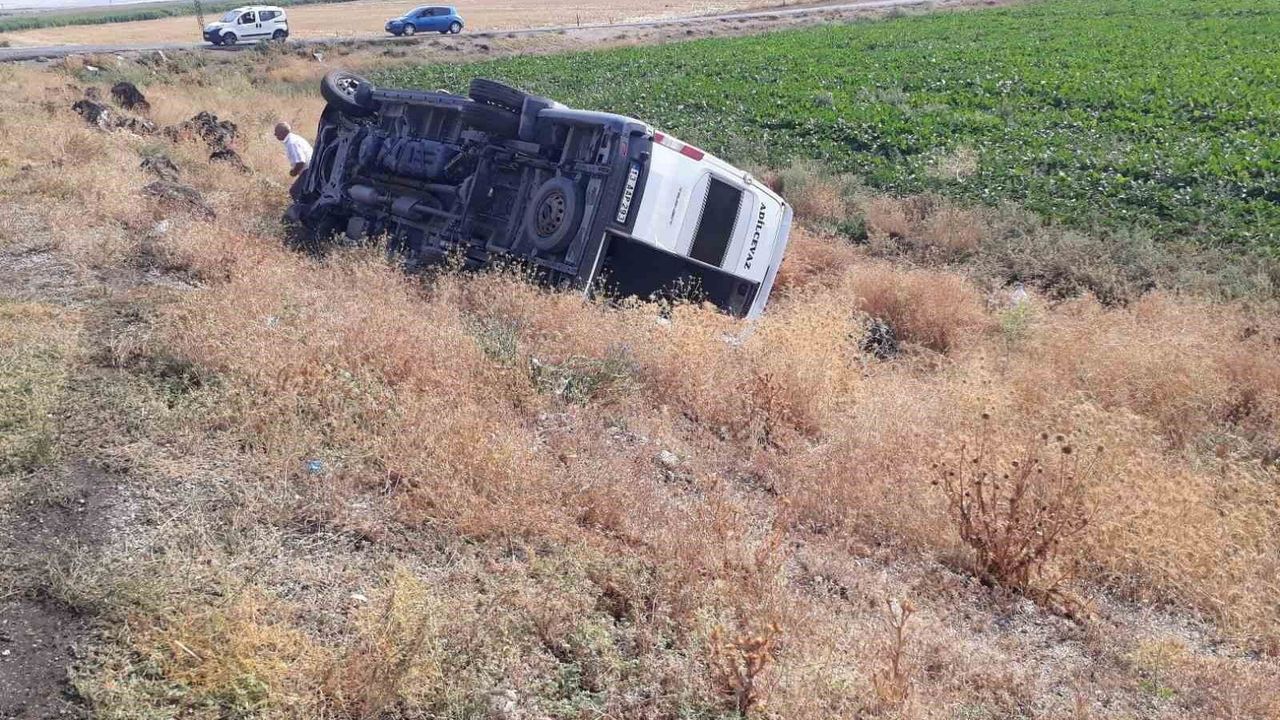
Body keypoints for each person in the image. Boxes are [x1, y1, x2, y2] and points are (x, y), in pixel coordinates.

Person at [274, 121, 313, 199]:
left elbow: (301, 161)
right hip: (311, 169)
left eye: (276, 133)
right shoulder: (294, 138)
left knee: (295, 192)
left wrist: (294, 172)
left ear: (283, 132)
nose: (275, 135)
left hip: (308, 171)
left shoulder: (291, 143)